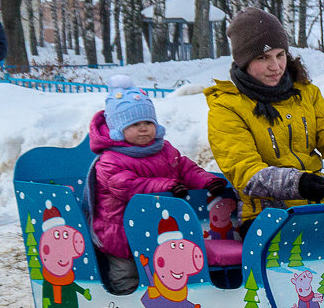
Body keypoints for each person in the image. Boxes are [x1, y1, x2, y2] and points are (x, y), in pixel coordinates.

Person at [204, 8, 324, 230]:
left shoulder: (306, 93)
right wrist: (297, 183)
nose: (275, 66)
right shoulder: (226, 107)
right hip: (265, 215)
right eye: (263, 58)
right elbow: (245, 172)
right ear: (244, 61)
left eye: (280, 55)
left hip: (317, 198)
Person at [89, 75, 233, 294]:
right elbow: (129, 187)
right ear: (118, 129)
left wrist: (207, 182)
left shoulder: (164, 149)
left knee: (160, 270)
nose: (144, 129)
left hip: (156, 226)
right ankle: (123, 300)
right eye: (135, 124)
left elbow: (185, 169)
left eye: (148, 123)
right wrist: (166, 186)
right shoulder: (109, 160)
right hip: (120, 230)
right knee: (127, 271)